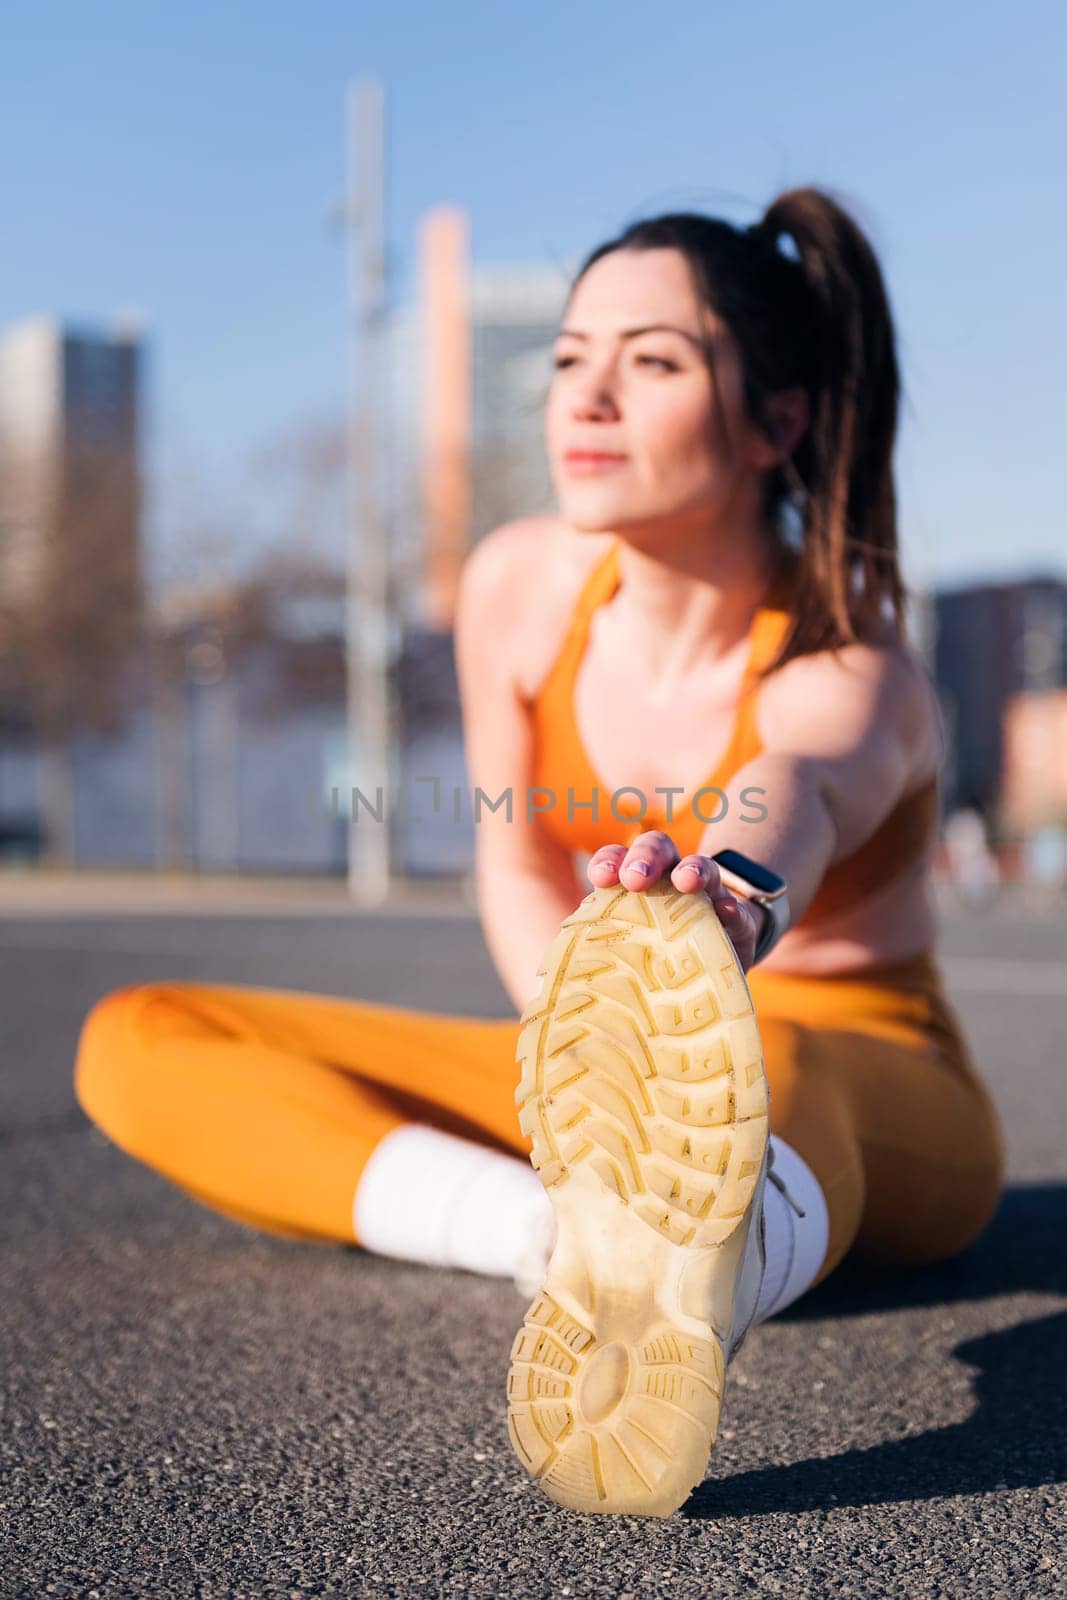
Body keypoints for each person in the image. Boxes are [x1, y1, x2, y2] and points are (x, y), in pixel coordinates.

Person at [73, 186, 1006, 1521]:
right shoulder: (518, 586)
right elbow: (512, 857)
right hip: (622, 1084)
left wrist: (727, 906)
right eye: (570, 358)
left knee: (776, 1062)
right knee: (140, 1037)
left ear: (776, 424)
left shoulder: (851, 654)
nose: (588, 397)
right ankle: (566, 1244)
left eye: (654, 362)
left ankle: (712, 1265)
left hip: (875, 1079)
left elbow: (789, 782)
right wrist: (580, 1092)